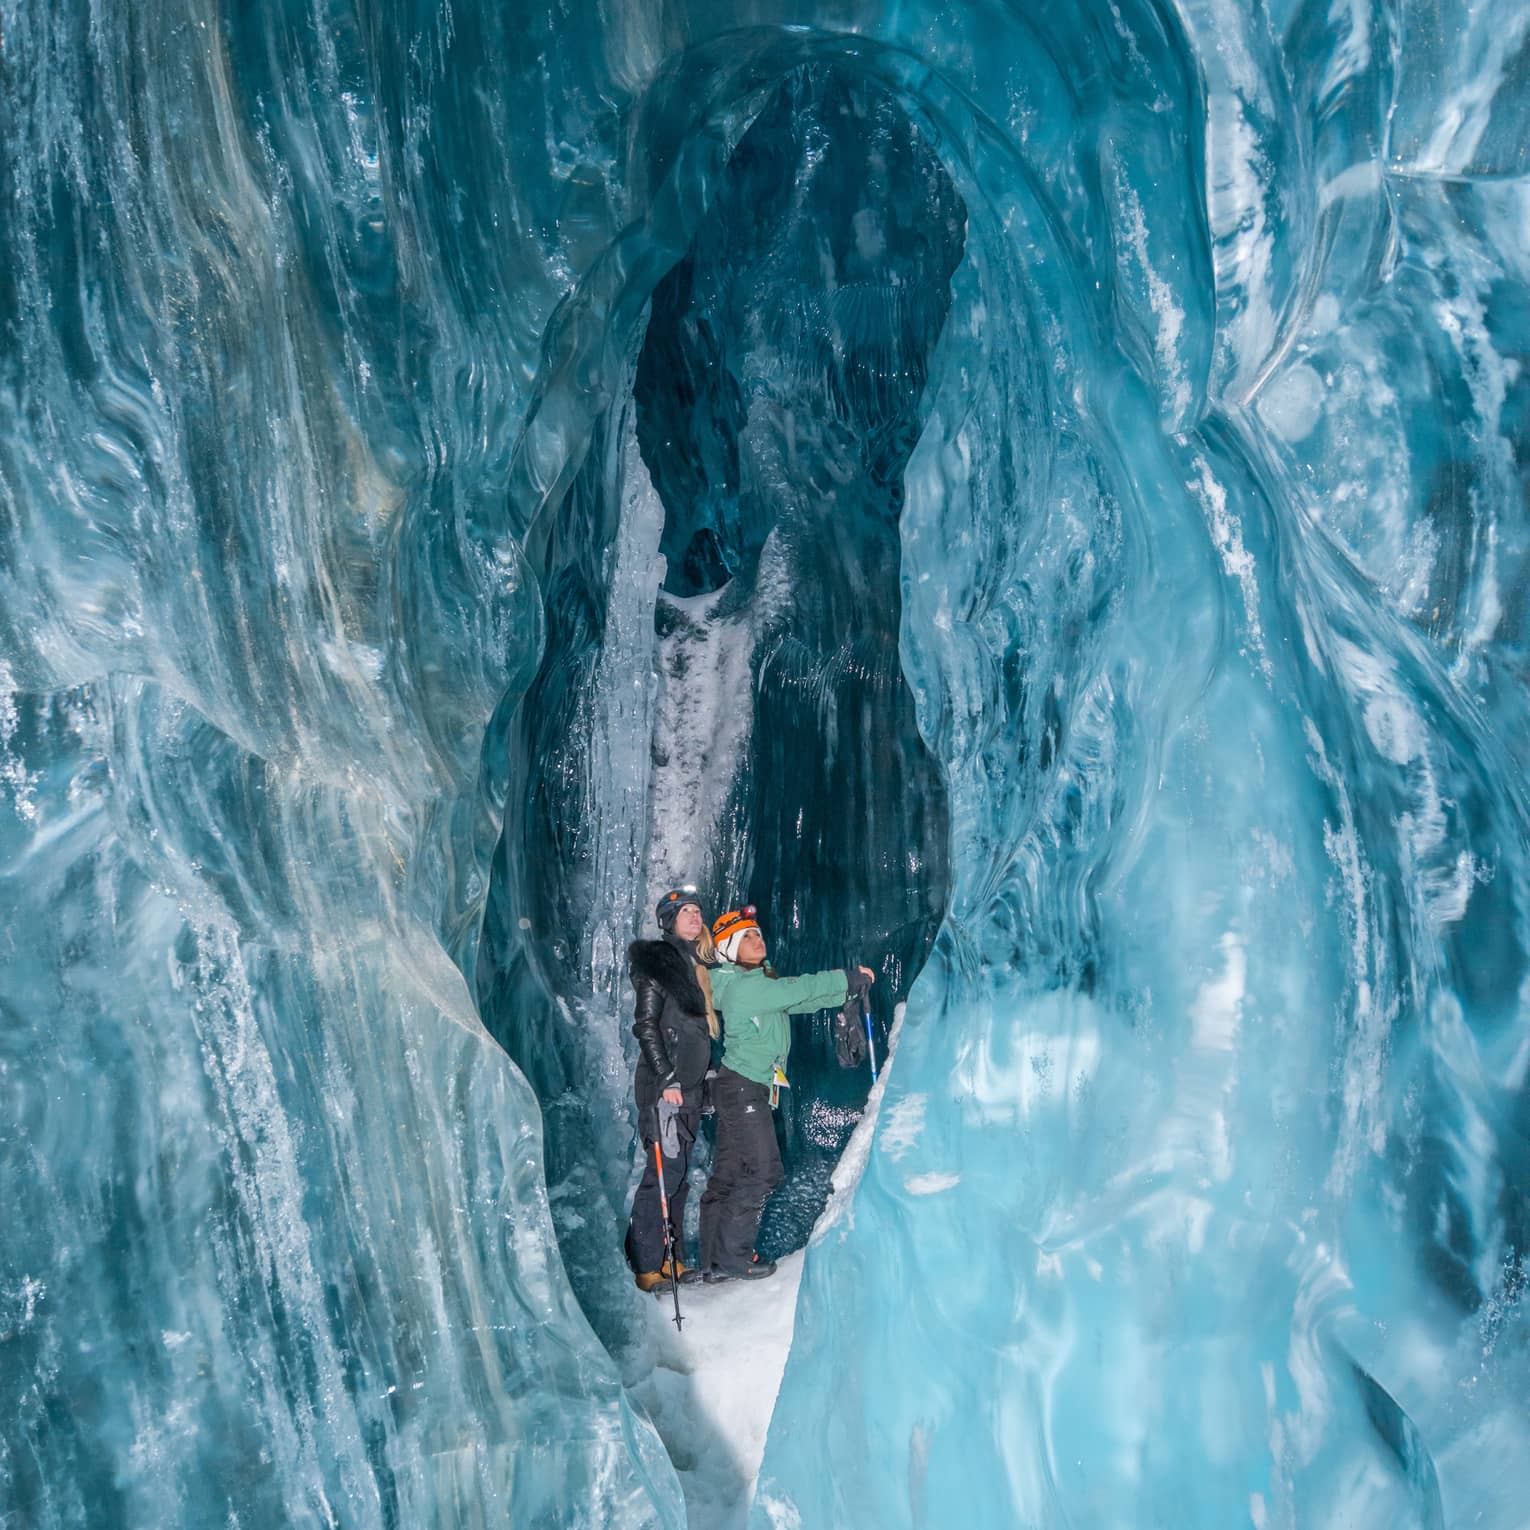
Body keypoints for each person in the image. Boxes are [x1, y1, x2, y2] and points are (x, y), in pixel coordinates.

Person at [698, 906, 874, 1282]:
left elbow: (796, 1001)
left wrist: (844, 991)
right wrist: (848, 978)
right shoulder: (749, 986)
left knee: (728, 1175)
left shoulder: (747, 983)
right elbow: (800, 988)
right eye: (746, 936)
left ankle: (713, 1261)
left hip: (736, 1086)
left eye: (758, 933)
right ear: (729, 947)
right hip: (745, 1088)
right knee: (764, 1172)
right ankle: (734, 1255)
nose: (757, 939)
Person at [625, 886, 719, 1294]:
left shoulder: (695, 965)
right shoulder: (657, 964)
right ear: (668, 921)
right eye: (686, 912)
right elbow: (646, 1025)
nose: (695, 917)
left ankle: (671, 1258)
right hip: (665, 1088)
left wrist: (704, 1076)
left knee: (678, 1177)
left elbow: (697, 1030)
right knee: (662, 1175)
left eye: (698, 911)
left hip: (691, 1089)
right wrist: (667, 1079)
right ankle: (647, 1264)